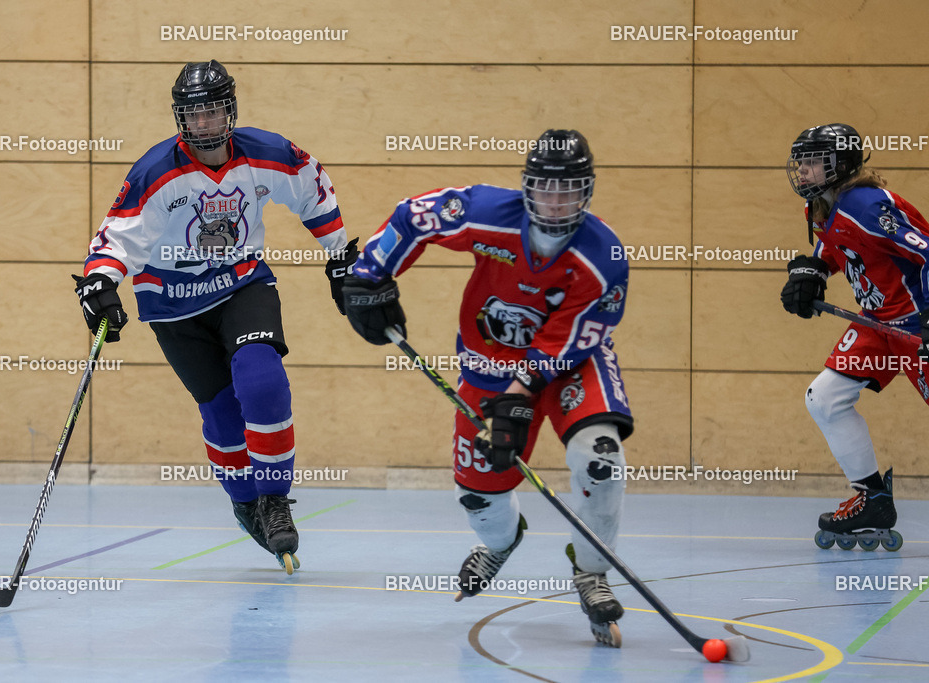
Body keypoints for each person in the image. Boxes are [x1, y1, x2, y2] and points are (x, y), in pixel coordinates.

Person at [342, 129, 633, 647]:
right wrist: (371, 272)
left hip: (570, 364)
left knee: (601, 458)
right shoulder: (485, 211)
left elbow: (570, 339)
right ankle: (502, 542)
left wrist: (520, 395)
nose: (556, 201)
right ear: (526, 187)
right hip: (488, 366)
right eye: (546, 188)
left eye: (569, 190)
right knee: (479, 496)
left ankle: (591, 571)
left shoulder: (602, 257)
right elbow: (414, 216)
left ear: (587, 193)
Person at [72, 60, 357, 573]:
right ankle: (245, 501)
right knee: (222, 413)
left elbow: (312, 187)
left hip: (242, 283)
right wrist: (100, 283)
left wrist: (339, 257)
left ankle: (273, 498)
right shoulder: (155, 171)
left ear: (230, 111)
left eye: (211, 112)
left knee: (262, 379)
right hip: (171, 303)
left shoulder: (267, 153)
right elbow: (117, 237)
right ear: (179, 118)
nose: (202, 124)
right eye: (192, 114)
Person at [782, 123, 929, 550]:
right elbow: (837, 247)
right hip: (877, 323)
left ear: (841, 166)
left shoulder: (866, 205)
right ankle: (873, 500)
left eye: (813, 162)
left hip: (915, 322)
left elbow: (925, 253)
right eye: (802, 162)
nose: (803, 171)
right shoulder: (821, 205)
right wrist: (813, 270)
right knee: (825, 399)